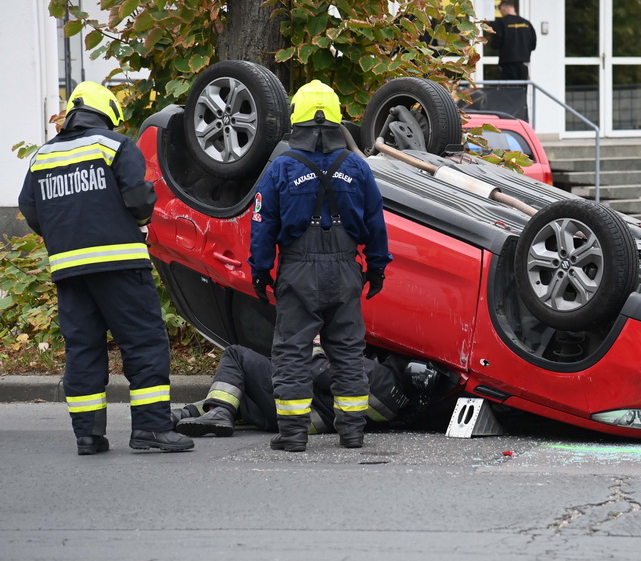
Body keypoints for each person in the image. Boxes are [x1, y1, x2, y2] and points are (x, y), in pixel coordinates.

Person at [18, 81, 193, 455]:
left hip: (69, 271)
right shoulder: (113, 145)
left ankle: (88, 435)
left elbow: (31, 211)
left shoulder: (42, 157)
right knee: (144, 342)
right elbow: (139, 198)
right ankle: (151, 428)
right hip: (119, 266)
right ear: (108, 113)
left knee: (83, 348)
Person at [249, 80, 392, 452]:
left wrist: (261, 270)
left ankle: (294, 435)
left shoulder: (281, 167)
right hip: (346, 269)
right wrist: (376, 268)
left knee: (292, 351)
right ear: (337, 120)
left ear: (296, 119)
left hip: (297, 271)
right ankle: (352, 433)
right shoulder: (357, 167)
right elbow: (376, 221)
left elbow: (262, 221)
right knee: (347, 350)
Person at [170, 344, 441, 438]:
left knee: (237, 357)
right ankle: (184, 415)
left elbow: (318, 370)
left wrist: (314, 345)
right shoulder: (398, 400)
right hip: (303, 416)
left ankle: (218, 413)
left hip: (295, 408)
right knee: (243, 392)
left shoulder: (377, 376)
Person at [490, 0, 537, 81]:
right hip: (524, 65)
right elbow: (533, 45)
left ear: (503, 8)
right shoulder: (526, 23)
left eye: (500, 11)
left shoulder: (501, 23)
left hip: (507, 65)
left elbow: (495, 44)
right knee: (521, 91)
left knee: (508, 91)